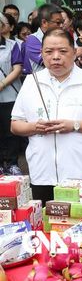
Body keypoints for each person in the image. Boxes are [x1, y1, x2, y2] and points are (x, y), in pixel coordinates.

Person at [11, 28, 82, 204]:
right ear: (41, 54)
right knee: (47, 227)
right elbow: (15, 125)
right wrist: (35, 127)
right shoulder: (31, 82)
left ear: (74, 53)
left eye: (63, 51)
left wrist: (74, 125)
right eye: (49, 52)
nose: (56, 57)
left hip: (81, 173)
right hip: (42, 174)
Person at [0, 14, 23, 176]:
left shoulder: (12, 45)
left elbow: (17, 69)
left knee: (10, 132)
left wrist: (1, 85)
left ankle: (12, 163)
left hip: (9, 96)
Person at [22, 3, 63, 74]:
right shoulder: (32, 39)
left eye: (62, 22)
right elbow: (49, 62)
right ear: (44, 22)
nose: (61, 26)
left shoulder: (63, 37)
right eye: (58, 22)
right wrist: (75, 54)